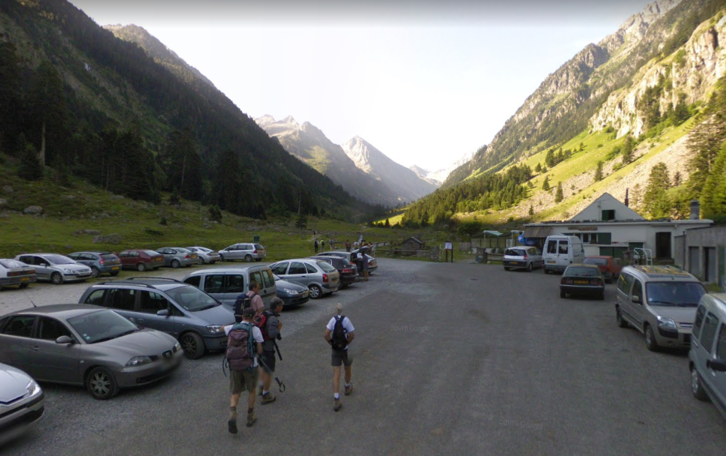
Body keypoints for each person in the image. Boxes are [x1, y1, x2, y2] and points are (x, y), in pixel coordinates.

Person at [226, 307, 264, 434]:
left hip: (235, 365)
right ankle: (250, 416)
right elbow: (259, 351)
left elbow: (222, 329)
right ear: (253, 317)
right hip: (250, 365)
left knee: (236, 392)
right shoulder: (255, 330)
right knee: (251, 390)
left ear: (242, 316)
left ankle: (232, 415)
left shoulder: (232, 328)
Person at [324, 304, 355, 412]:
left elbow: (326, 334)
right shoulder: (346, 320)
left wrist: (332, 344)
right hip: (345, 349)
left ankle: (336, 398)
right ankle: (347, 386)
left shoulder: (332, 320)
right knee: (347, 368)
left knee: (336, 373)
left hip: (335, 350)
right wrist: (346, 343)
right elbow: (352, 335)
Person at [258, 298, 283, 404]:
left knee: (264, 368)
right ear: (277, 307)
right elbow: (272, 334)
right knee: (269, 371)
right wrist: (279, 328)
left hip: (260, 347)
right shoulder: (273, 319)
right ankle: (266, 394)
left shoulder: (265, 313)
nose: (282, 307)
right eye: (281, 305)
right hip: (267, 348)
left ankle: (261, 387)